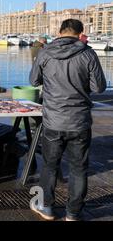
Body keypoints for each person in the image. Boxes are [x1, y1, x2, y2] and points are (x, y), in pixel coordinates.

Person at [29, 19, 107, 221]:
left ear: (60, 31)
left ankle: (46, 207)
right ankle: (73, 213)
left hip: (53, 121)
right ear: (80, 33)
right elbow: (99, 87)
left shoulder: (45, 52)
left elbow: (33, 81)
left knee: (49, 165)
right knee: (79, 168)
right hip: (79, 121)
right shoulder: (88, 53)